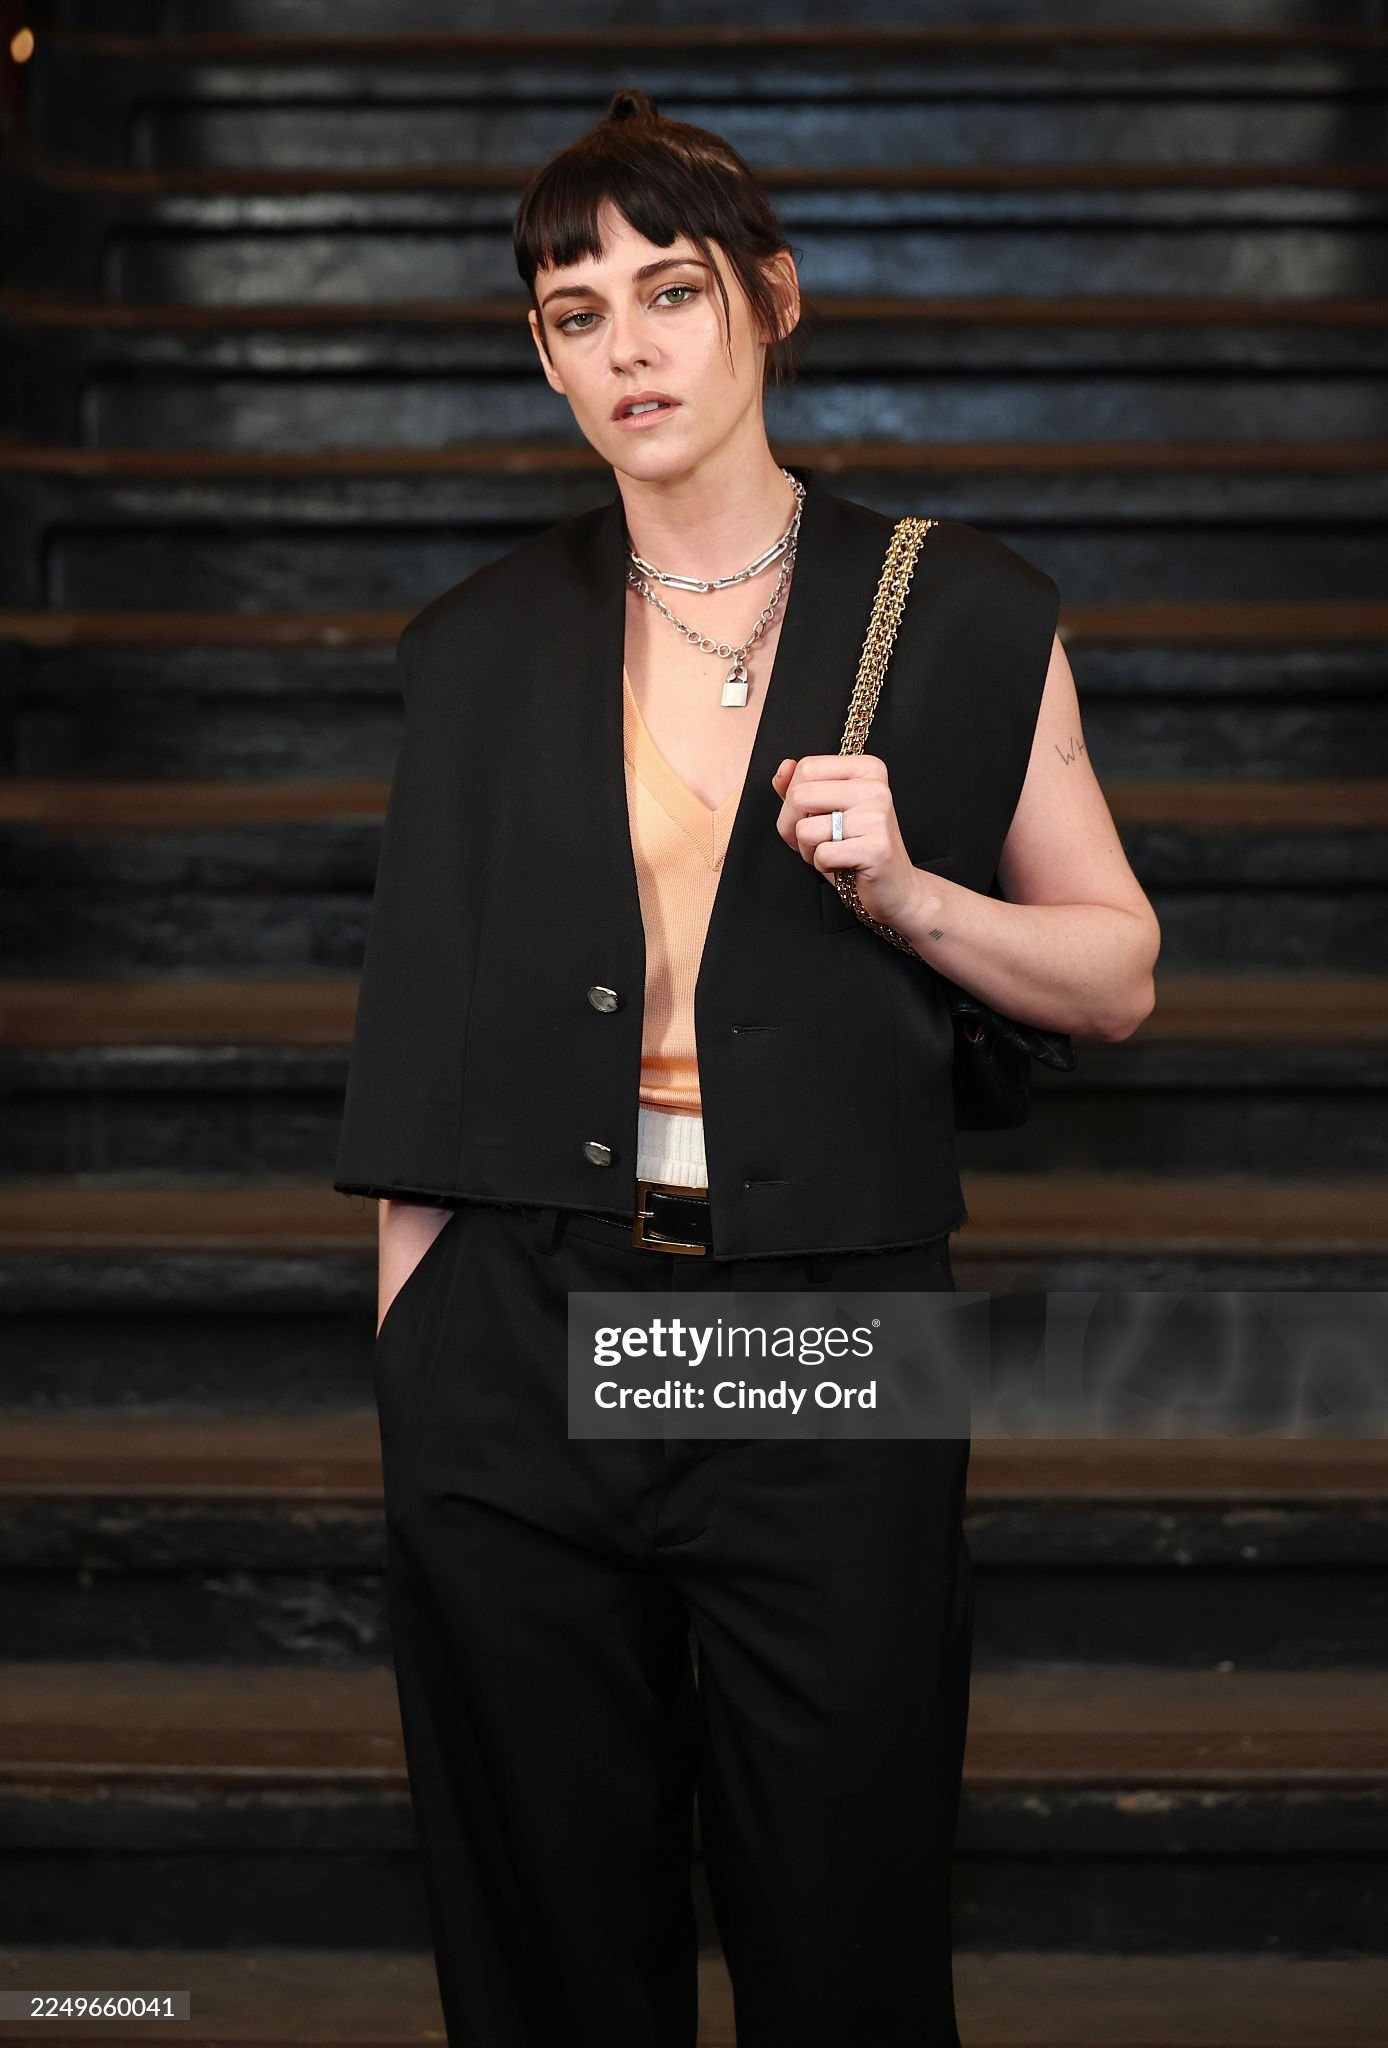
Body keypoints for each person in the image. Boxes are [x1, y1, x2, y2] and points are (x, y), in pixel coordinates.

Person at [333, 87, 1160, 2048]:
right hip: (517, 1327)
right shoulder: (474, 646)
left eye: (670, 290)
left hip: (827, 1333)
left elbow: (1117, 973)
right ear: (543, 356)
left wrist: (915, 896)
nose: (625, 345)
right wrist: (420, 1356)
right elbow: (421, 1030)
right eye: (576, 311)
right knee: (545, 1938)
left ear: (769, 300)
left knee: (843, 1921)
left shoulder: (958, 610)